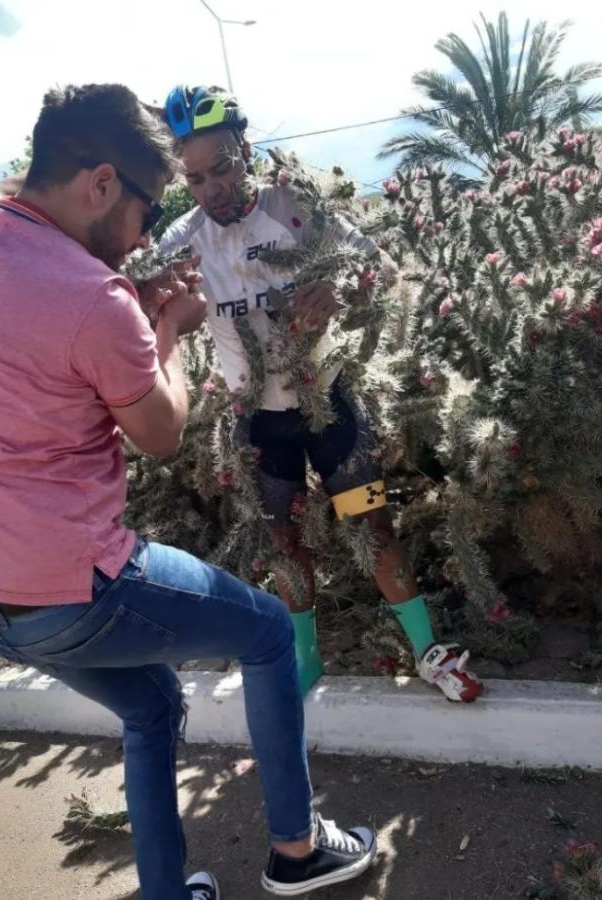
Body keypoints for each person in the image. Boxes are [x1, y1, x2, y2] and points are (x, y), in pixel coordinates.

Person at [0, 83, 378, 900]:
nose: (148, 233)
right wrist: (168, 329)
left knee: (149, 709)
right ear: (102, 184)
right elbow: (160, 430)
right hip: (81, 586)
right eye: (148, 208)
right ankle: (297, 850)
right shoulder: (94, 295)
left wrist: (127, 324)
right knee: (267, 632)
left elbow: (29, 351)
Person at [158, 85, 484, 702]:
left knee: (374, 529)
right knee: (286, 547)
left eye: (221, 167)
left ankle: (426, 651)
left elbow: (381, 266)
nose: (212, 189)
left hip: (329, 405)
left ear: (245, 149)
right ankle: (306, 660)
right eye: (195, 178)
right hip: (258, 423)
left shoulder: (294, 206)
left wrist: (341, 288)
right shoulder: (183, 239)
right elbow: (129, 290)